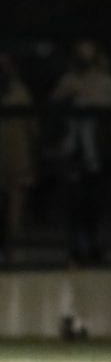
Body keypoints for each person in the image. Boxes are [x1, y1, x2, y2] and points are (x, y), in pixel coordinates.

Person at [49, 41, 111, 264]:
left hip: (99, 152)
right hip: (74, 152)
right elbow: (54, 110)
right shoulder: (68, 82)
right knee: (75, 202)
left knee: (95, 202)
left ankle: (93, 243)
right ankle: (77, 246)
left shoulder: (106, 83)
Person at [0, 54, 37, 263]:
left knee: (15, 206)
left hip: (16, 157)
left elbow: (32, 128)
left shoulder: (21, 93)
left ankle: (12, 249)